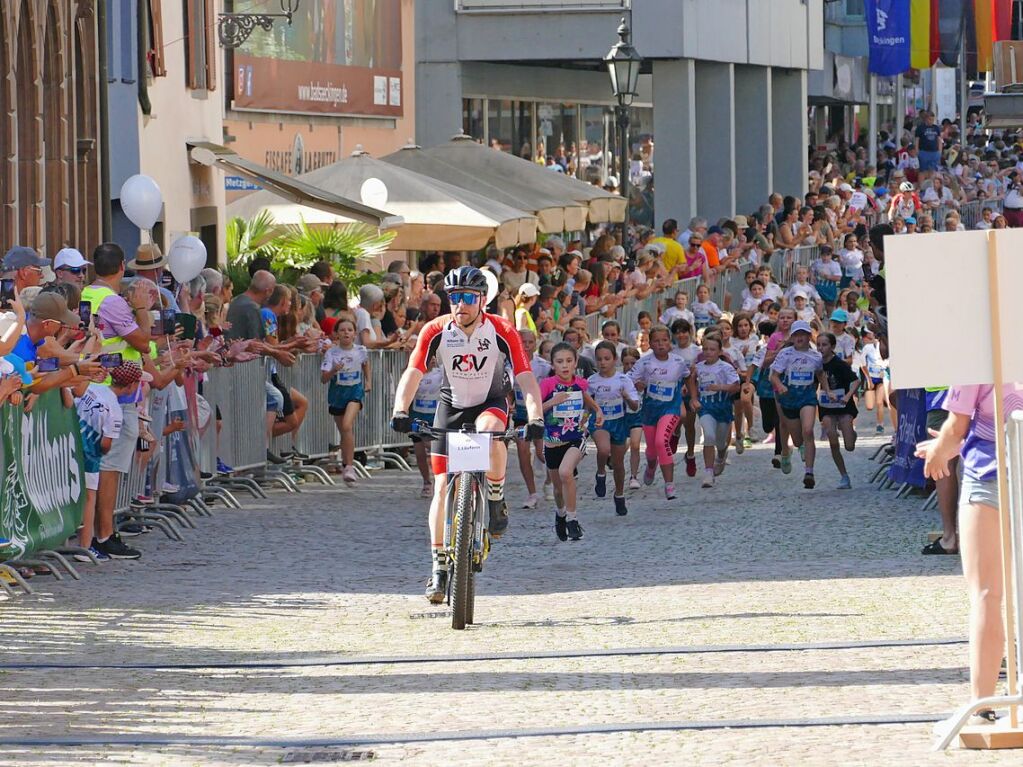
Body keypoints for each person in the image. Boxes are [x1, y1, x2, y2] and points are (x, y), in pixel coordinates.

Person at [390, 267, 544, 604]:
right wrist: (400, 410)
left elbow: (525, 376)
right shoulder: (436, 330)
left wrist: (536, 416)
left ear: (482, 300)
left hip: (490, 402)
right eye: (454, 298)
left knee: (491, 433)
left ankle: (495, 496)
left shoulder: (501, 329)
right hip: (452, 407)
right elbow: (414, 371)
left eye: (468, 298)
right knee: (443, 486)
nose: (461, 305)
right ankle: (438, 568)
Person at [918, 384, 1023, 730]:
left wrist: (940, 449)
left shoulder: (978, 353)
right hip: (997, 469)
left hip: (990, 475)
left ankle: (982, 705)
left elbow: (957, 426)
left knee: (986, 594)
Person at [542, 342, 602, 541]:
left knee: (566, 472)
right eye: (560, 362)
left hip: (575, 438)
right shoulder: (547, 385)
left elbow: (585, 398)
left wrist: (597, 411)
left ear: (576, 362)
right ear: (553, 365)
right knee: (558, 488)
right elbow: (535, 410)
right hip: (552, 443)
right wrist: (552, 401)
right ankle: (560, 514)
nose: (565, 365)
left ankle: (573, 519)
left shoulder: (580, 383)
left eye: (569, 361)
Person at [628, 325, 693, 500]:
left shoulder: (678, 362)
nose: (661, 344)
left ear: (670, 342)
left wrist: (693, 396)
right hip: (650, 411)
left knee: (661, 441)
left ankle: (669, 484)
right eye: (656, 341)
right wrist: (637, 385)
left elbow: (688, 376)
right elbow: (629, 381)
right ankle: (650, 466)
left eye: (664, 340)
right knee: (651, 451)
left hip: (670, 408)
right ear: (650, 344)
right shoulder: (644, 362)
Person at [769, 320, 831, 488]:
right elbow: (774, 376)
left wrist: (827, 391)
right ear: (792, 337)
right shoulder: (785, 354)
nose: (799, 338)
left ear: (808, 336)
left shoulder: (816, 356)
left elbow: (821, 375)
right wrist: (780, 386)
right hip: (789, 398)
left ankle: (809, 472)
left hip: (807, 397)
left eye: (803, 334)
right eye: (796, 334)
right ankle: (788, 450)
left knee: (808, 430)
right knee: (797, 440)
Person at [587, 341, 640, 516]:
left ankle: (619, 495)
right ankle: (601, 473)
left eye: (607, 359)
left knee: (618, 464)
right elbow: (586, 404)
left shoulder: (623, 380)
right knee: (603, 449)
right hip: (600, 422)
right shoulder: (592, 381)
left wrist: (626, 397)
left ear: (615, 359)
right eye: (599, 359)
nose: (603, 363)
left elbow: (635, 406)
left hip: (619, 422)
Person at [321, 317, 370, 485]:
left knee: (347, 425)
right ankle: (346, 465)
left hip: (355, 391)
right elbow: (323, 379)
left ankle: (349, 466)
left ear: (354, 333)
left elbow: (365, 365)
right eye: (342, 330)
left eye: (349, 330)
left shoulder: (361, 350)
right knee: (344, 431)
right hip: (337, 394)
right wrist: (334, 369)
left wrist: (368, 381)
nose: (346, 333)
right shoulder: (331, 353)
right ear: (336, 334)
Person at [691, 335, 741, 488]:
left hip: (723, 407)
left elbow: (736, 386)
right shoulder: (698, 367)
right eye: (705, 349)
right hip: (706, 407)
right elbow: (691, 381)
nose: (708, 352)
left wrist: (720, 387)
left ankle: (721, 455)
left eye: (712, 349)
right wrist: (694, 398)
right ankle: (708, 472)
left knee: (720, 441)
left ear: (720, 351)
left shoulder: (725, 367)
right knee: (709, 435)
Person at [511, 329, 551, 510]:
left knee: (542, 453)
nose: (526, 346)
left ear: (535, 344)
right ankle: (532, 492)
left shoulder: (544, 366)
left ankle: (552, 479)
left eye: (530, 342)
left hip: (540, 413)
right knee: (522, 449)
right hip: (520, 413)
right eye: (523, 342)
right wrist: (508, 402)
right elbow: (507, 389)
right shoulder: (510, 364)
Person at [816, 332, 859, 490]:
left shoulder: (839, 364)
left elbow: (856, 381)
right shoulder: (816, 364)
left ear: (832, 346)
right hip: (827, 407)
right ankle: (844, 476)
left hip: (843, 406)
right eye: (818, 344)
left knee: (849, 446)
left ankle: (851, 434)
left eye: (824, 345)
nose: (821, 348)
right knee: (833, 440)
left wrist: (848, 396)